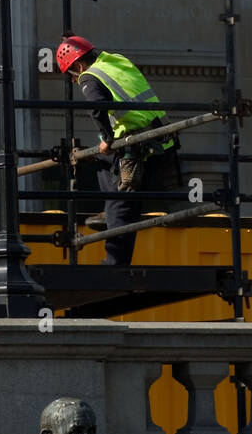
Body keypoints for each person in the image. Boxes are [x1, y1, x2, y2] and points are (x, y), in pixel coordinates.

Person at [54, 35, 181, 266]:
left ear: (79, 66)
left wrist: (106, 137)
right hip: (161, 140)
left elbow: (97, 109)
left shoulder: (89, 77)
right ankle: (111, 218)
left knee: (120, 204)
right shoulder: (115, 60)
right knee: (106, 173)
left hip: (138, 146)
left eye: (71, 74)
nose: (74, 80)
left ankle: (114, 264)